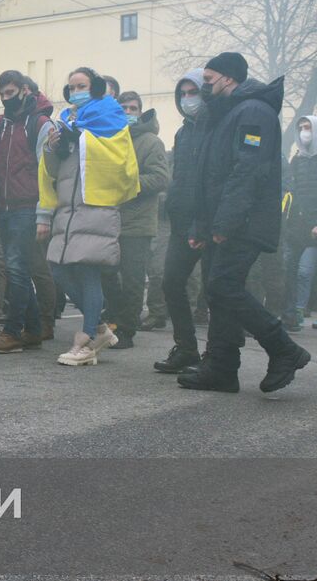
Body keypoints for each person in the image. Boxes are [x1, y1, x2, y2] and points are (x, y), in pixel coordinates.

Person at [179, 52, 310, 393]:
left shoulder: (253, 112)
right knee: (218, 290)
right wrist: (203, 225)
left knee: (224, 286)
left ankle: (284, 349)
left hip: (245, 220)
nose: (203, 87)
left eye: (208, 80)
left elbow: (246, 171)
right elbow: (210, 177)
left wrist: (224, 223)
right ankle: (221, 369)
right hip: (225, 219)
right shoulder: (225, 113)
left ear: (228, 78)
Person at [40, 67, 138, 366]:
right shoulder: (69, 118)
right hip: (68, 207)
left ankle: (84, 342)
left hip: (96, 205)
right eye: (71, 86)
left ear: (94, 87)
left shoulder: (110, 113)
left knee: (87, 271)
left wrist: (80, 137)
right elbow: (57, 168)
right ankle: (99, 329)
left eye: (81, 85)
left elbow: (117, 159)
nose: (76, 91)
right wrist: (55, 147)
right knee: (58, 269)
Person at [0, 70, 56, 353]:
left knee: (18, 270)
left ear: (23, 90)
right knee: (15, 269)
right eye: (2, 95)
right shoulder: (1, 124)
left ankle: (12, 332)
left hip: (27, 207)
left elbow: (47, 173)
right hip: (4, 205)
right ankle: (32, 329)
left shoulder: (41, 123)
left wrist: (44, 215)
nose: (6, 99)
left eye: (10, 93)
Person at [100, 91, 170, 349]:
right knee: (106, 274)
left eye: (133, 108)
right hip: (109, 219)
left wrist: (129, 184)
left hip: (138, 222)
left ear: (140, 112)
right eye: (124, 108)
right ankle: (114, 320)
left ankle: (127, 330)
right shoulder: (111, 137)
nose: (128, 113)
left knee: (132, 278)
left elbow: (161, 178)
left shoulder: (151, 142)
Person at [154, 70, 209, 375]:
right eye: (183, 94)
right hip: (182, 219)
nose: (188, 99)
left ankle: (218, 353)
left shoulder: (217, 127)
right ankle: (186, 348)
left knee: (217, 290)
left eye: (194, 92)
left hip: (208, 221)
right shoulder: (184, 132)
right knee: (171, 281)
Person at [282, 112, 317, 330]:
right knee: (292, 269)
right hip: (297, 223)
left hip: (314, 223)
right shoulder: (296, 158)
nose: (305, 132)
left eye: (309, 127)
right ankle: (291, 315)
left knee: (306, 270)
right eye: (302, 127)